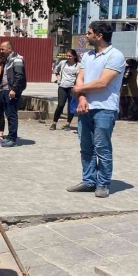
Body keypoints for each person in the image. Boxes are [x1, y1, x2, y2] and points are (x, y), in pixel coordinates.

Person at [67, 22, 126, 198]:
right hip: (84, 106)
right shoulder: (88, 55)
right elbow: (81, 77)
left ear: (99, 35)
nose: (86, 36)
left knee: (102, 147)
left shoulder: (115, 56)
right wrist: (82, 96)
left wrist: (79, 90)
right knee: (85, 147)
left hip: (104, 109)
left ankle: (103, 183)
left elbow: (102, 83)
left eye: (89, 33)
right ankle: (88, 180)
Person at [0, 40, 27, 147]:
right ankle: (10, 136)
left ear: (9, 49)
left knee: (12, 114)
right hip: (5, 90)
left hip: (12, 91)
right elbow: (6, 76)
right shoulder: (7, 60)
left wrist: (14, 90)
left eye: (3, 49)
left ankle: (13, 139)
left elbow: (19, 76)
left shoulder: (17, 59)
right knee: (8, 114)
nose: (1, 50)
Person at [50, 50, 81, 131]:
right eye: (67, 56)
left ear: (74, 56)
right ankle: (54, 123)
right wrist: (58, 78)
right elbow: (56, 70)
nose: (68, 57)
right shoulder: (63, 63)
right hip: (62, 87)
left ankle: (68, 123)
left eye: (70, 56)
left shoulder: (78, 65)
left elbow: (80, 77)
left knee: (71, 106)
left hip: (72, 88)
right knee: (60, 105)